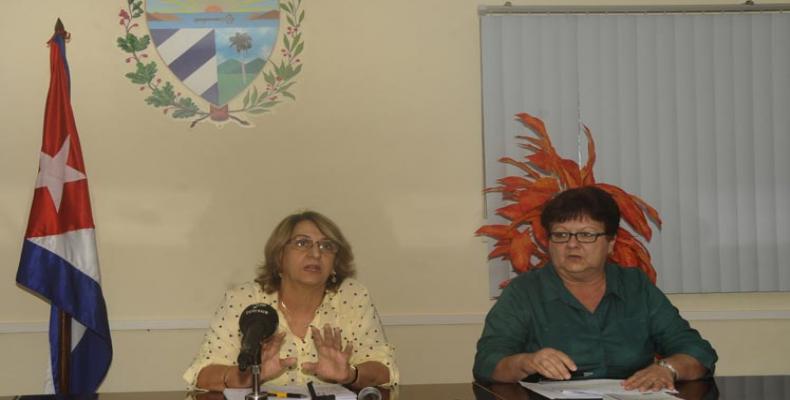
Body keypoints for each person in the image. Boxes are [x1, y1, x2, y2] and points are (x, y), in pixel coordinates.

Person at [473, 186, 717, 392]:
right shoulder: (524, 292)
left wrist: (668, 369)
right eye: (561, 235)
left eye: (586, 235)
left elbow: (696, 351)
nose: (571, 244)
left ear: (610, 243)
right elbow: (487, 362)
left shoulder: (635, 286)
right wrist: (526, 362)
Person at [184, 211, 398, 391]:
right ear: (279, 256)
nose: (315, 253)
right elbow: (201, 375)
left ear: (335, 262)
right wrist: (249, 376)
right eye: (302, 243)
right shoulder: (244, 300)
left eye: (326, 246)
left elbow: (384, 370)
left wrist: (351, 375)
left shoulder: (351, 296)